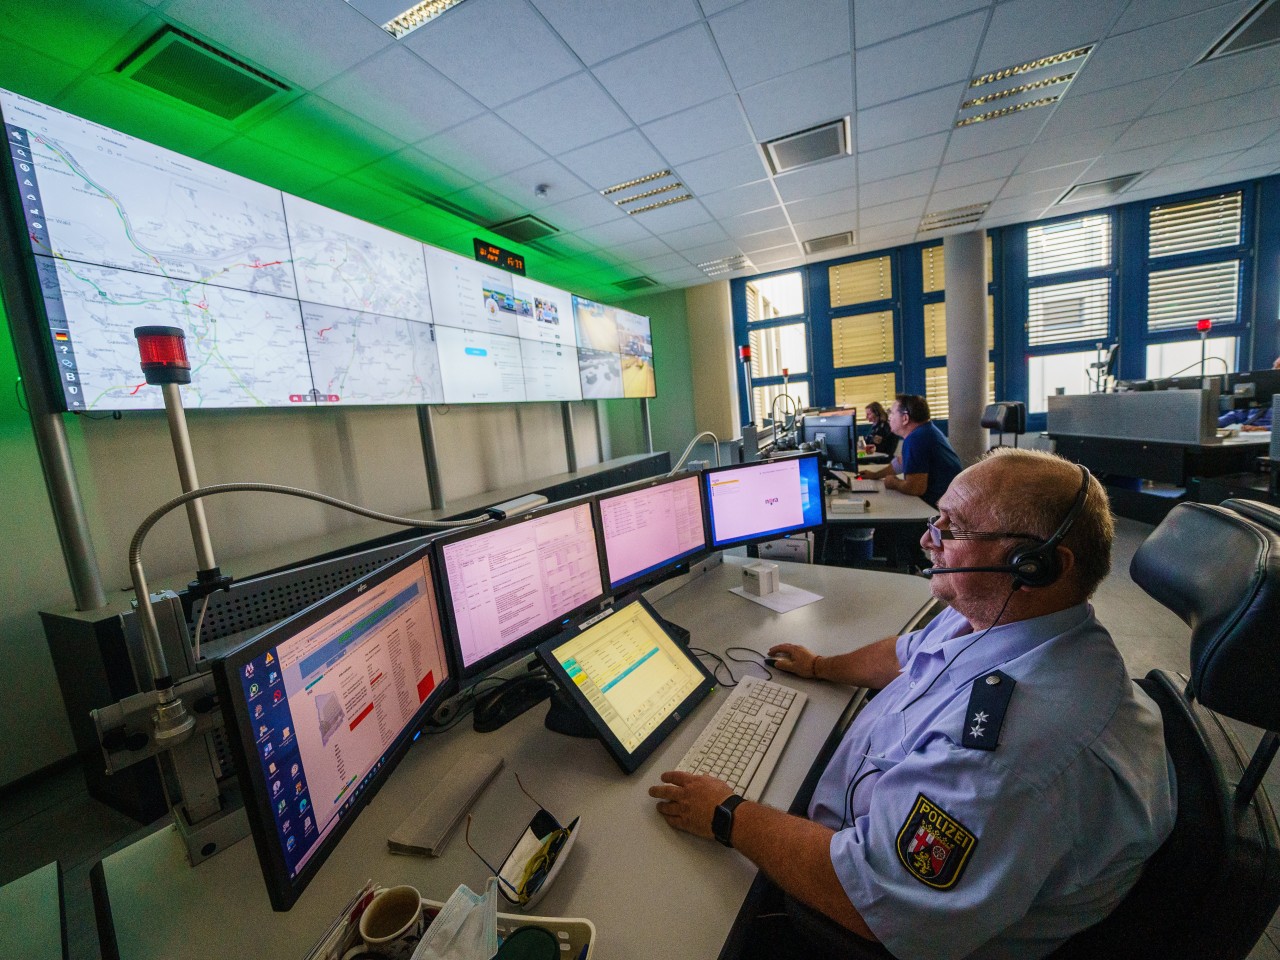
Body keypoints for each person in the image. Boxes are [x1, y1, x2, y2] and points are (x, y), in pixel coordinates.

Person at [649, 449, 1176, 960]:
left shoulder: (1011, 754)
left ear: (1035, 566)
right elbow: (905, 655)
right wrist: (819, 667)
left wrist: (725, 815)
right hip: (862, 825)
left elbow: (870, 898)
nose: (928, 539)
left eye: (953, 528)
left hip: (861, 914)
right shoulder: (997, 611)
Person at [862, 394, 962, 507]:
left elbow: (915, 488)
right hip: (948, 503)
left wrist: (893, 482)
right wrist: (875, 475)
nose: (889, 417)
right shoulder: (924, 431)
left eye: (892, 413)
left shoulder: (917, 438)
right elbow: (900, 462)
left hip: (939, 510)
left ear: (905, 418)